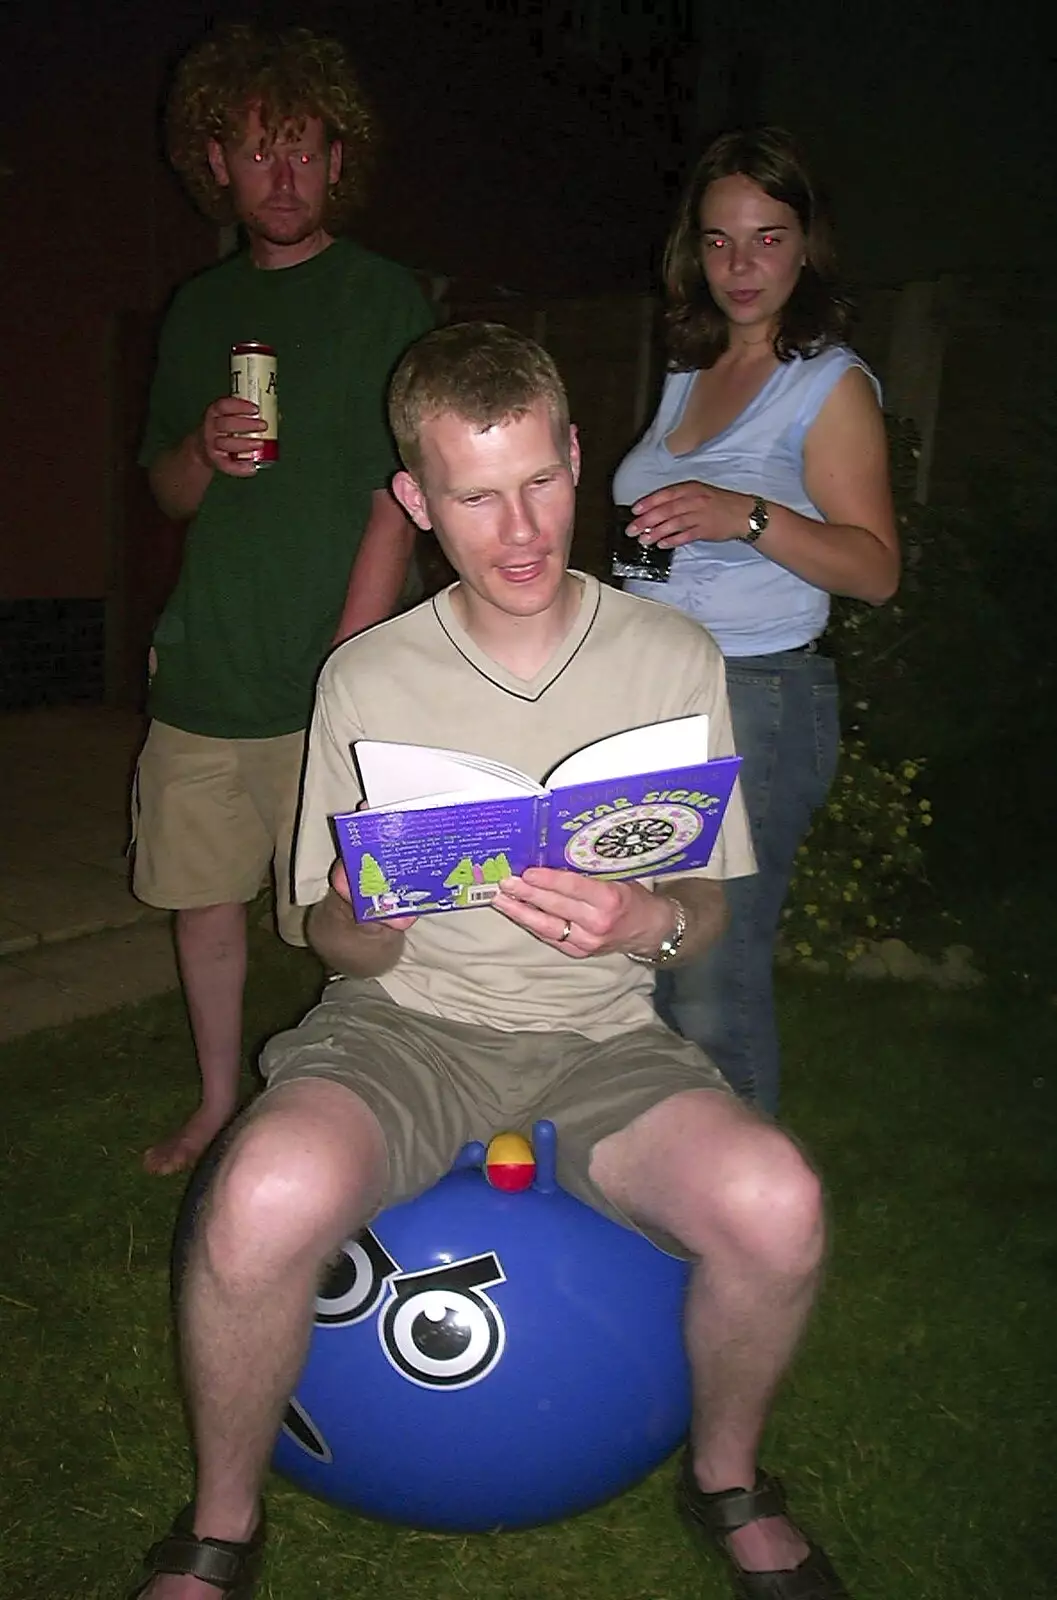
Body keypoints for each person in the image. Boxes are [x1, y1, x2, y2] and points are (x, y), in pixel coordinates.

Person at [129, 323, 854, 1600]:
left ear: (577, 458)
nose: (519, 530)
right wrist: (368, 903)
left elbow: (708, 910)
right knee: (259, 1192)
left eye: (541, 482)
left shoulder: (670, 654)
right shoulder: (368, 674)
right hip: (407, 1026)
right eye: (473, 496)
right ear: (416, 501)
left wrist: (647, 925)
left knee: (778, 1202)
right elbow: (330, 938)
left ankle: (727, 1478)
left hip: (601, 1038)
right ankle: (222, 1529)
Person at [131, 25, 434, 1176]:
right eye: (258, 153)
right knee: (201, 905)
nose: (284, 177)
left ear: (337, 155)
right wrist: (203, 449)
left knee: (350, 926)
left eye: (303, 149)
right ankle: (218, 1104)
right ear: (216, 162)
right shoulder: (198, 308)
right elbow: (163, 490)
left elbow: (395, 495)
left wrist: (350, 663)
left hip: (334, 673)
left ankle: (358, 1111)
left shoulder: (382, 297)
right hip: (208, 664)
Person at [612, 127, 899, 1115]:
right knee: (643, 959)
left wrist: (748, 516)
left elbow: (874, 570)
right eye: (720, 240)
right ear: (692, 248)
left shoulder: (827, 383)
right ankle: (658, 1192)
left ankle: (747, 1228)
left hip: (754, 698)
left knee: (709, 981)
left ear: (806, 245)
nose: (741, 266)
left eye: (767, 239)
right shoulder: (689, 367)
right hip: (651, 696)